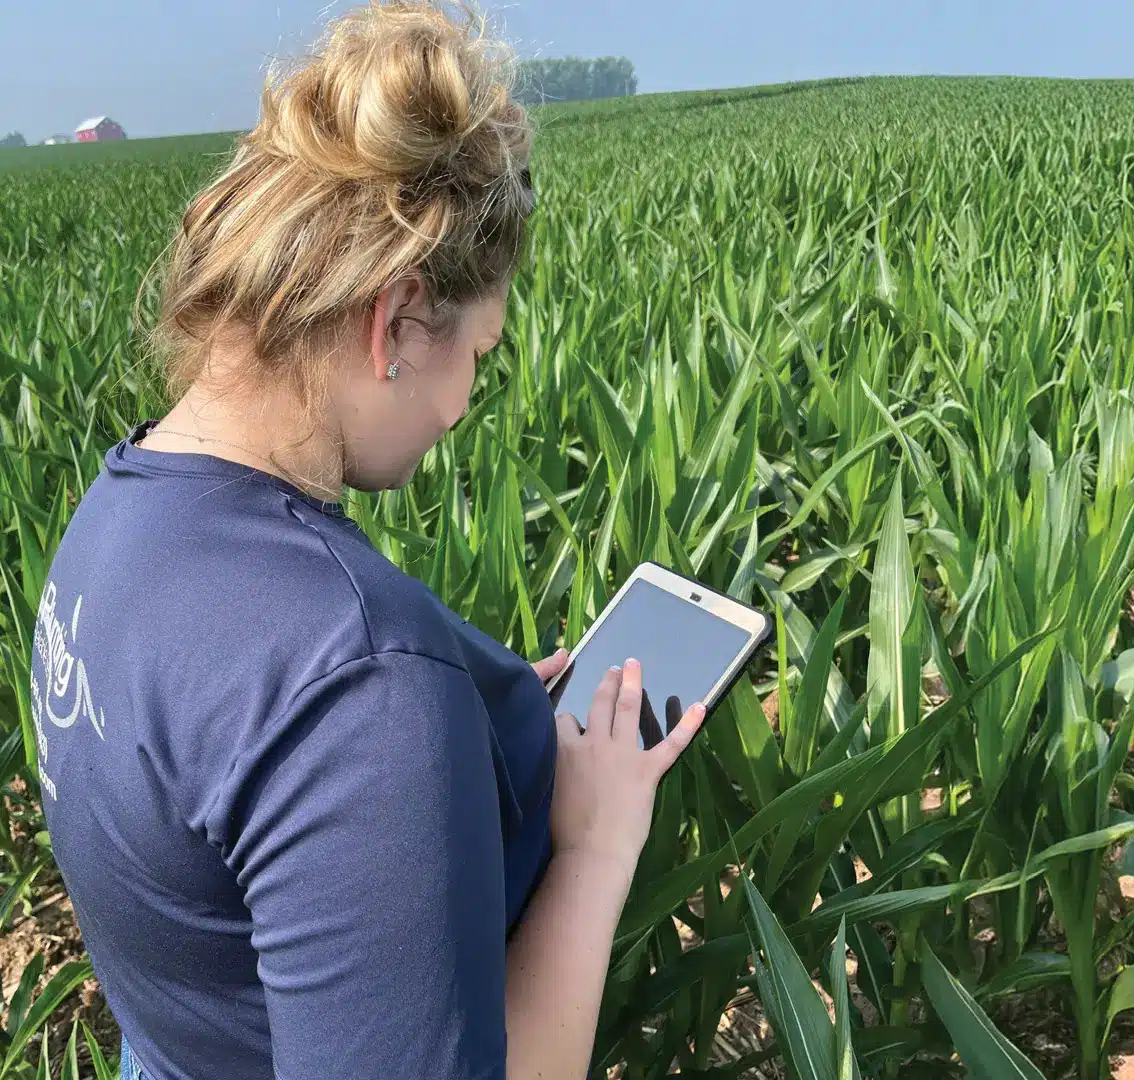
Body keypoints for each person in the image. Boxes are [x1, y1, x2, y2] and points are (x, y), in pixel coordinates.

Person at [27, 4, 700, 1078]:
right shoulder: (359, 695)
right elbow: (313, 717)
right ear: (397, 322)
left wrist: (453, 746)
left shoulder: (114, 518)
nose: (467, 399)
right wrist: (596, 843)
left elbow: (230, 804)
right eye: (480, 351)